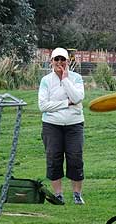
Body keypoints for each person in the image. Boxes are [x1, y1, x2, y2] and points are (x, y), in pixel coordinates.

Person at [38, 47, 85, 205]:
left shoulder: (76, 78)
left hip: (74, 125)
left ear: (68, 61)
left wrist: (65, 79)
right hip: (52, 125)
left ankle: (77, 194)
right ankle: (58, 194)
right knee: (54, 158)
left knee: (75, 158)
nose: (59, 62)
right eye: (56, 59)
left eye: (62, 59)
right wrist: (66, 103)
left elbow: (77, 97)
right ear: (51, 61)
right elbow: (43, 106)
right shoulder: (46, 80)